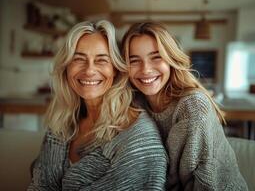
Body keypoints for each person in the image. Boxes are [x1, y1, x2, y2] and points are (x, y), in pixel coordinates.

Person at [28, 20, 168, 191]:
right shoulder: (61, 124)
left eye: (101, 60)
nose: (89, 70)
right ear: (66, 67)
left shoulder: (138, 137)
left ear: (116, 68)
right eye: (79, 59)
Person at [121, 21, 248, 191]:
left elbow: (206, 184)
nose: (146, 69)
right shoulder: (135, 104)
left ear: (170, 59)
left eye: (156, 57)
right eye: (134, 61)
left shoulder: (193, 106)